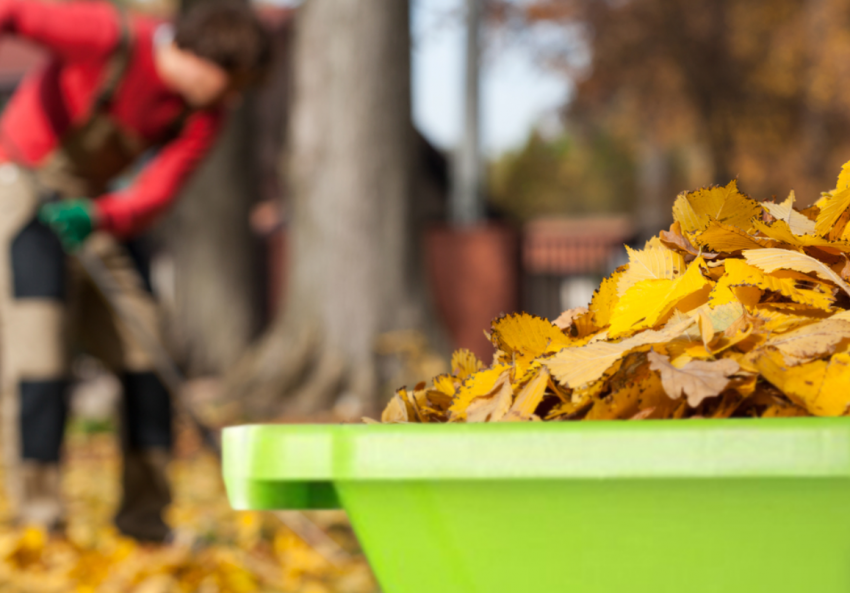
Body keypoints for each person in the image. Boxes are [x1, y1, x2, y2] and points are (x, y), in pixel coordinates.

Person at [0, 0, 272, 541]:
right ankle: (39, 519)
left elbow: (156, 192)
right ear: (201, 59)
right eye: (232, 81)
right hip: (21, 184)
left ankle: (147, 520)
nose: (233, 96)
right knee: (40, 358)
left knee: (148, 350)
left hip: (91, 209)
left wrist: (100, 214)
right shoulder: (108, 37)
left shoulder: (203, 113)